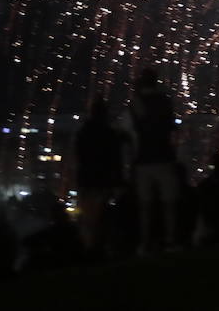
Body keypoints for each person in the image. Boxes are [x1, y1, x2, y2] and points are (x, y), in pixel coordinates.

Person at [127, 67, 180, 252]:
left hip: (143, 160)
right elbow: (172, 130)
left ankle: (145, 242)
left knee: (145, 205)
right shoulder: (165, 102)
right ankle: (170, 240)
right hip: (164, 157)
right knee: (169, 203)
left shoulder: (136, 103)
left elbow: (129, 131)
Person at [75, 95, 126, 253]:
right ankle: (97, 247)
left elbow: (79, 156)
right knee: (100, 216)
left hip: (87, 181)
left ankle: (89, 247)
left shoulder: (83, 132)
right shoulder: (109, 133)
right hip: (103, 181)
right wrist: (118, 181)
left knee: (89, 217)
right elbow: (115, 159)